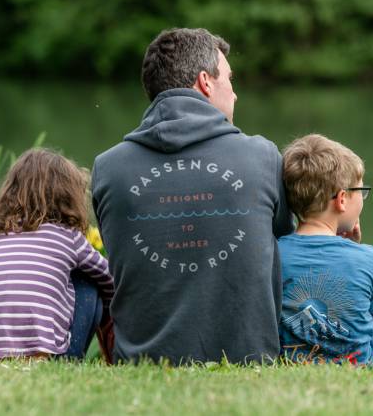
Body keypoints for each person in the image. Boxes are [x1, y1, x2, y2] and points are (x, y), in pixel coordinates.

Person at [92, 28, 294, 364]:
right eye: (230, 79)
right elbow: (285, 243)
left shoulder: (108, 168)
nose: (235, 94)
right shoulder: (263, 157)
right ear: (205, 82)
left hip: (143, 364)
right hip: (250, 363)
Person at [279, 134, 373, 365]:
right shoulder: (368, 257)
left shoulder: (275, 254)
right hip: (366, 363)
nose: (363, 199)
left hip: (296, 361)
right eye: (361, 191)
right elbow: (365, 313)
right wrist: (352, 249)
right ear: (342, 199)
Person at [0, 148, 114, 359]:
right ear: (68, 195)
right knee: (89, 285)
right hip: (41, 354)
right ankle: (70, 359)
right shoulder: (67, 236)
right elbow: (112, 279)